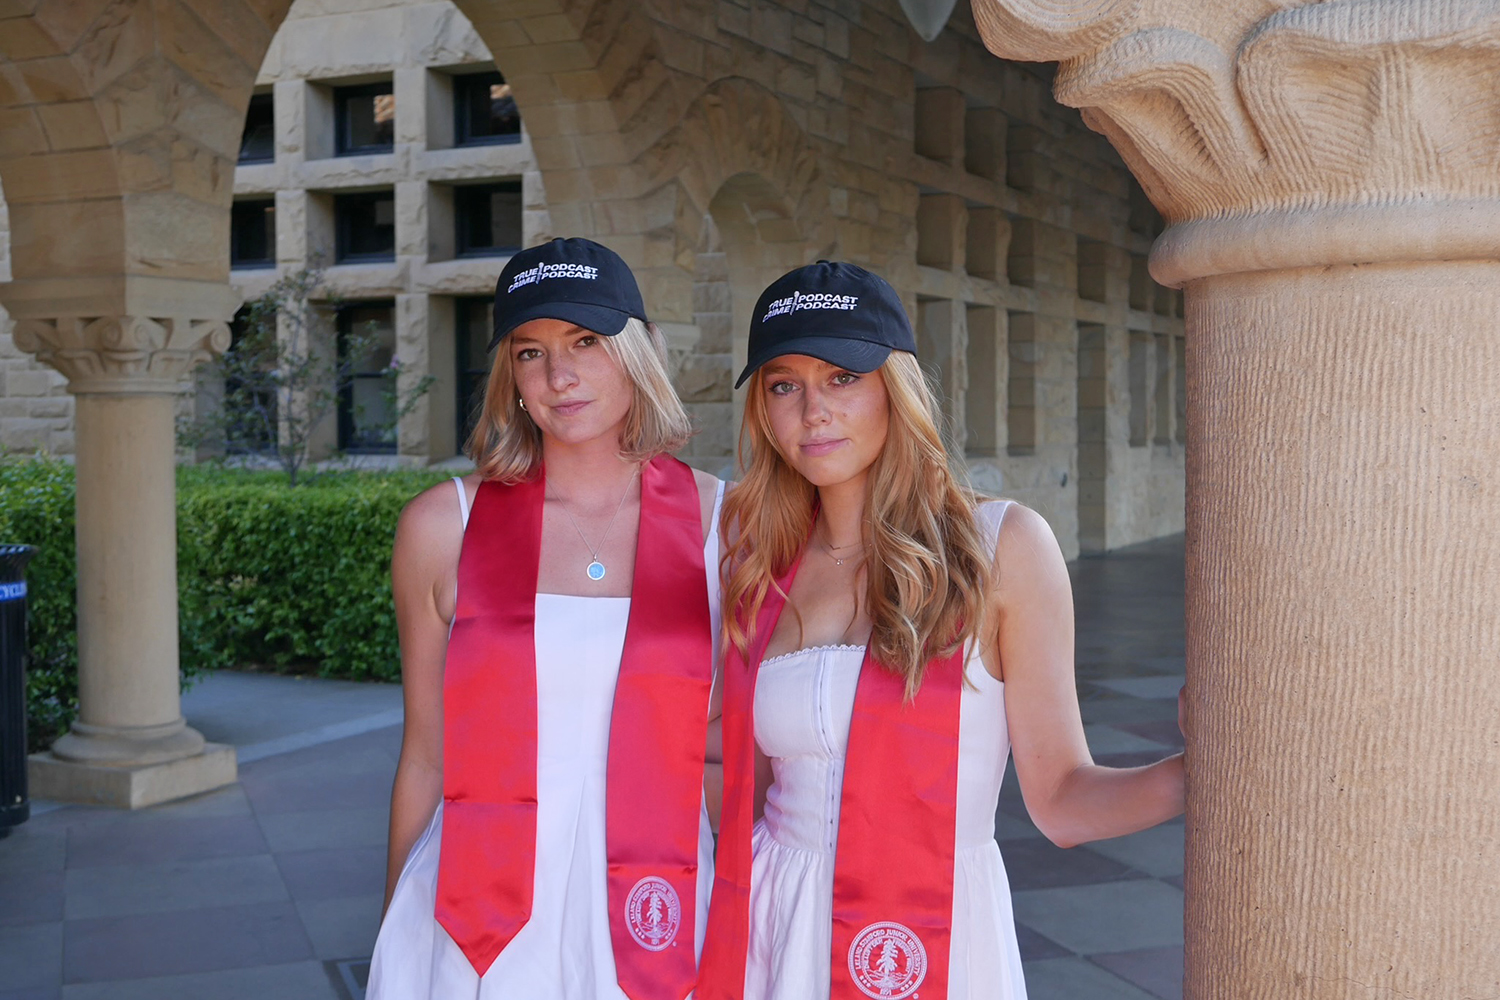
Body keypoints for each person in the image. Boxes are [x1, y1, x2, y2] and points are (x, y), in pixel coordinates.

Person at [697, 261, 1186, 1000]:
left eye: (841, 378)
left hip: (931, 936)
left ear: (895, 388)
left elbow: (1060, 801)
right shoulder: (757, 561)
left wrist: (1201, 771)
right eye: (783, 385)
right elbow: (738, 784)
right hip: (773, 925)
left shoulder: (1000, 547)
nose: (812, 410)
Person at [368, 238, 724, 1000]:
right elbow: (427, 755)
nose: (560, 376)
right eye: (530, 352)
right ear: (510, 375)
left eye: (587, 342)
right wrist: (396, 921)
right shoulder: (444, 525)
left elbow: (735, 746)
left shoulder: (727, 522)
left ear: (641, 350)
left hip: (658, 899)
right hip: (477, 909)